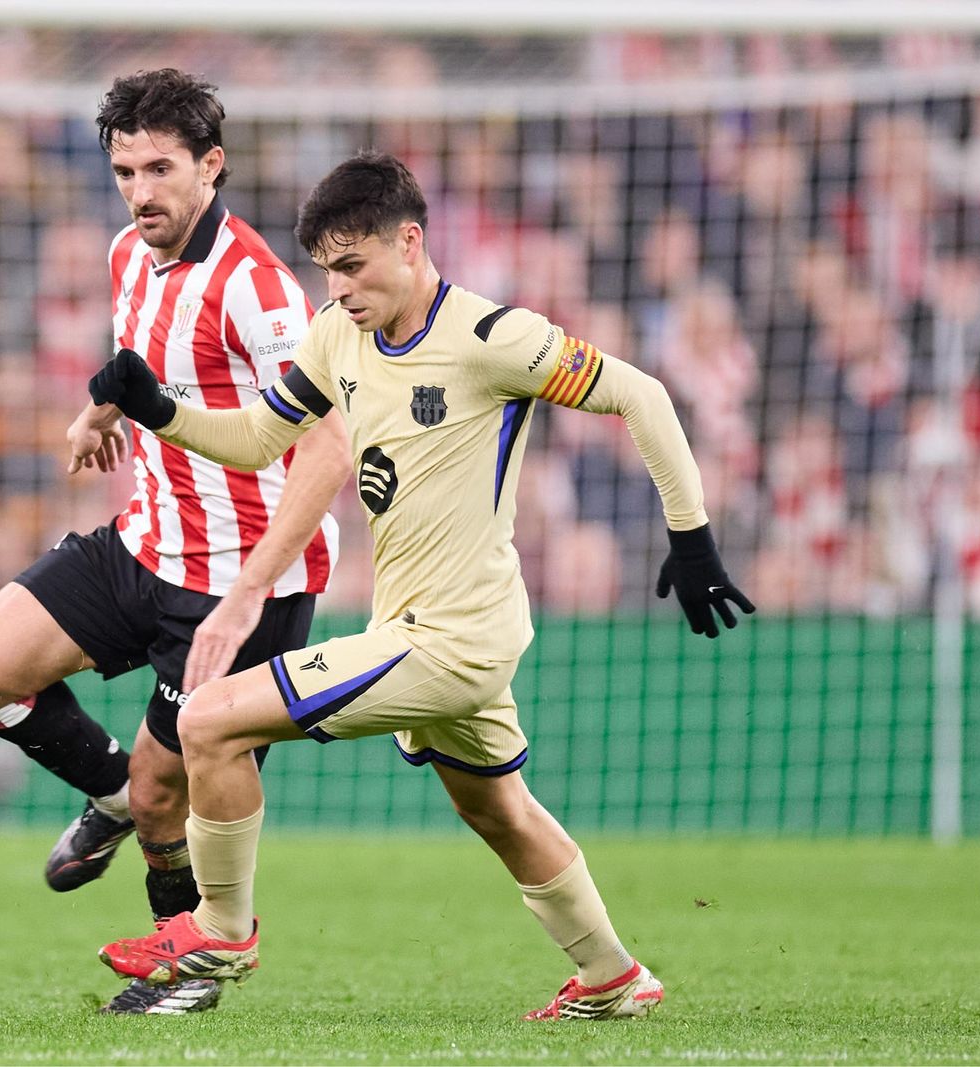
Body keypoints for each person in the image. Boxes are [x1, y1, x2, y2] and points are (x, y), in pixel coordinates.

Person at [75, 151, 755, 1020]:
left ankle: (223, 928)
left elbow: (642, 394)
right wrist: (158, 408)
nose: (340, 287)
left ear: (411, 241)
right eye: (327, 269)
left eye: (353, 266)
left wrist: (690, 535)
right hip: (420, 625)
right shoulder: (336, 335)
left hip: (450, 636)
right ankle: (614, 977)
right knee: (499, 809)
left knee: (205, 718)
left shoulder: (491, 339)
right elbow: (255, 439)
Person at [0, 69, 349, 1015]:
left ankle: (184, 975)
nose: (141, 191)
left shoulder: (260, 291)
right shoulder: (128, 253)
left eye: (160, 168)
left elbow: (328, 447)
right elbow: (142, 368)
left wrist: (251, 590)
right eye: (124, 170)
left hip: (238, 586)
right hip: (143, 543)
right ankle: (113, 794)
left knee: (175, 798)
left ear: (212, 165)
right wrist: (96, 414)